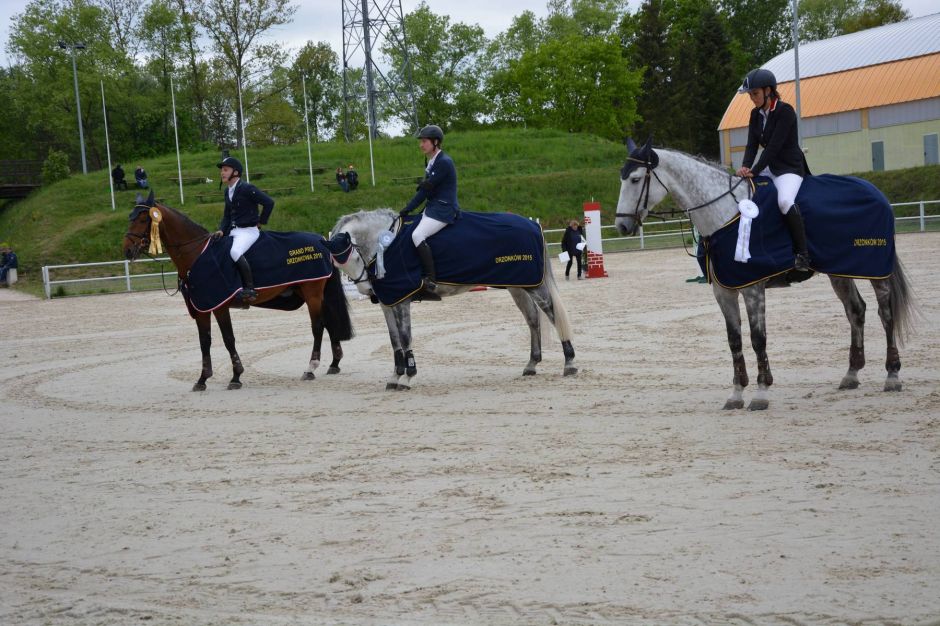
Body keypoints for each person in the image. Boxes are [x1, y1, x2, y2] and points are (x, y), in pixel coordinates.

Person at [735, 68, 812, 272]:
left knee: (785, 201)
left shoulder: (785, 111)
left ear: (768, 90)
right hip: (769, 167)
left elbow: (774, 147)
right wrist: (745, 166)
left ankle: (803, 254)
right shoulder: (755, 114)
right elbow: (752, 145)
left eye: (755, 93)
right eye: (750, 95)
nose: (752, 98)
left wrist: (755, 170)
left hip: (789, 168)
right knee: (745, 193)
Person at [399, 124, 459, 301]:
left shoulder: (444, 162)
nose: (421, 145)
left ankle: (431, 280)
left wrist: (408, 208)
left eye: (424, 141)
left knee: (417, 235)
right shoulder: (432, 161)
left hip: (444, 209)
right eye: (421, 141)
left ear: (435, 142)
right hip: (433, 206)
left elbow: (425, 190)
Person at [212, 156, 275, 303]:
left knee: (235, 252)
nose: (222, 173)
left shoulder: (247, 188)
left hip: (248, 231)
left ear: (235, 172)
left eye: (225, 170)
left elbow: (269, 203)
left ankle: (250, 289)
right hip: (233, 231)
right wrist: (222, 230)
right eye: (222, 170)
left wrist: (261, 222)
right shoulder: (227, 191)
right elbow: (227, 215)